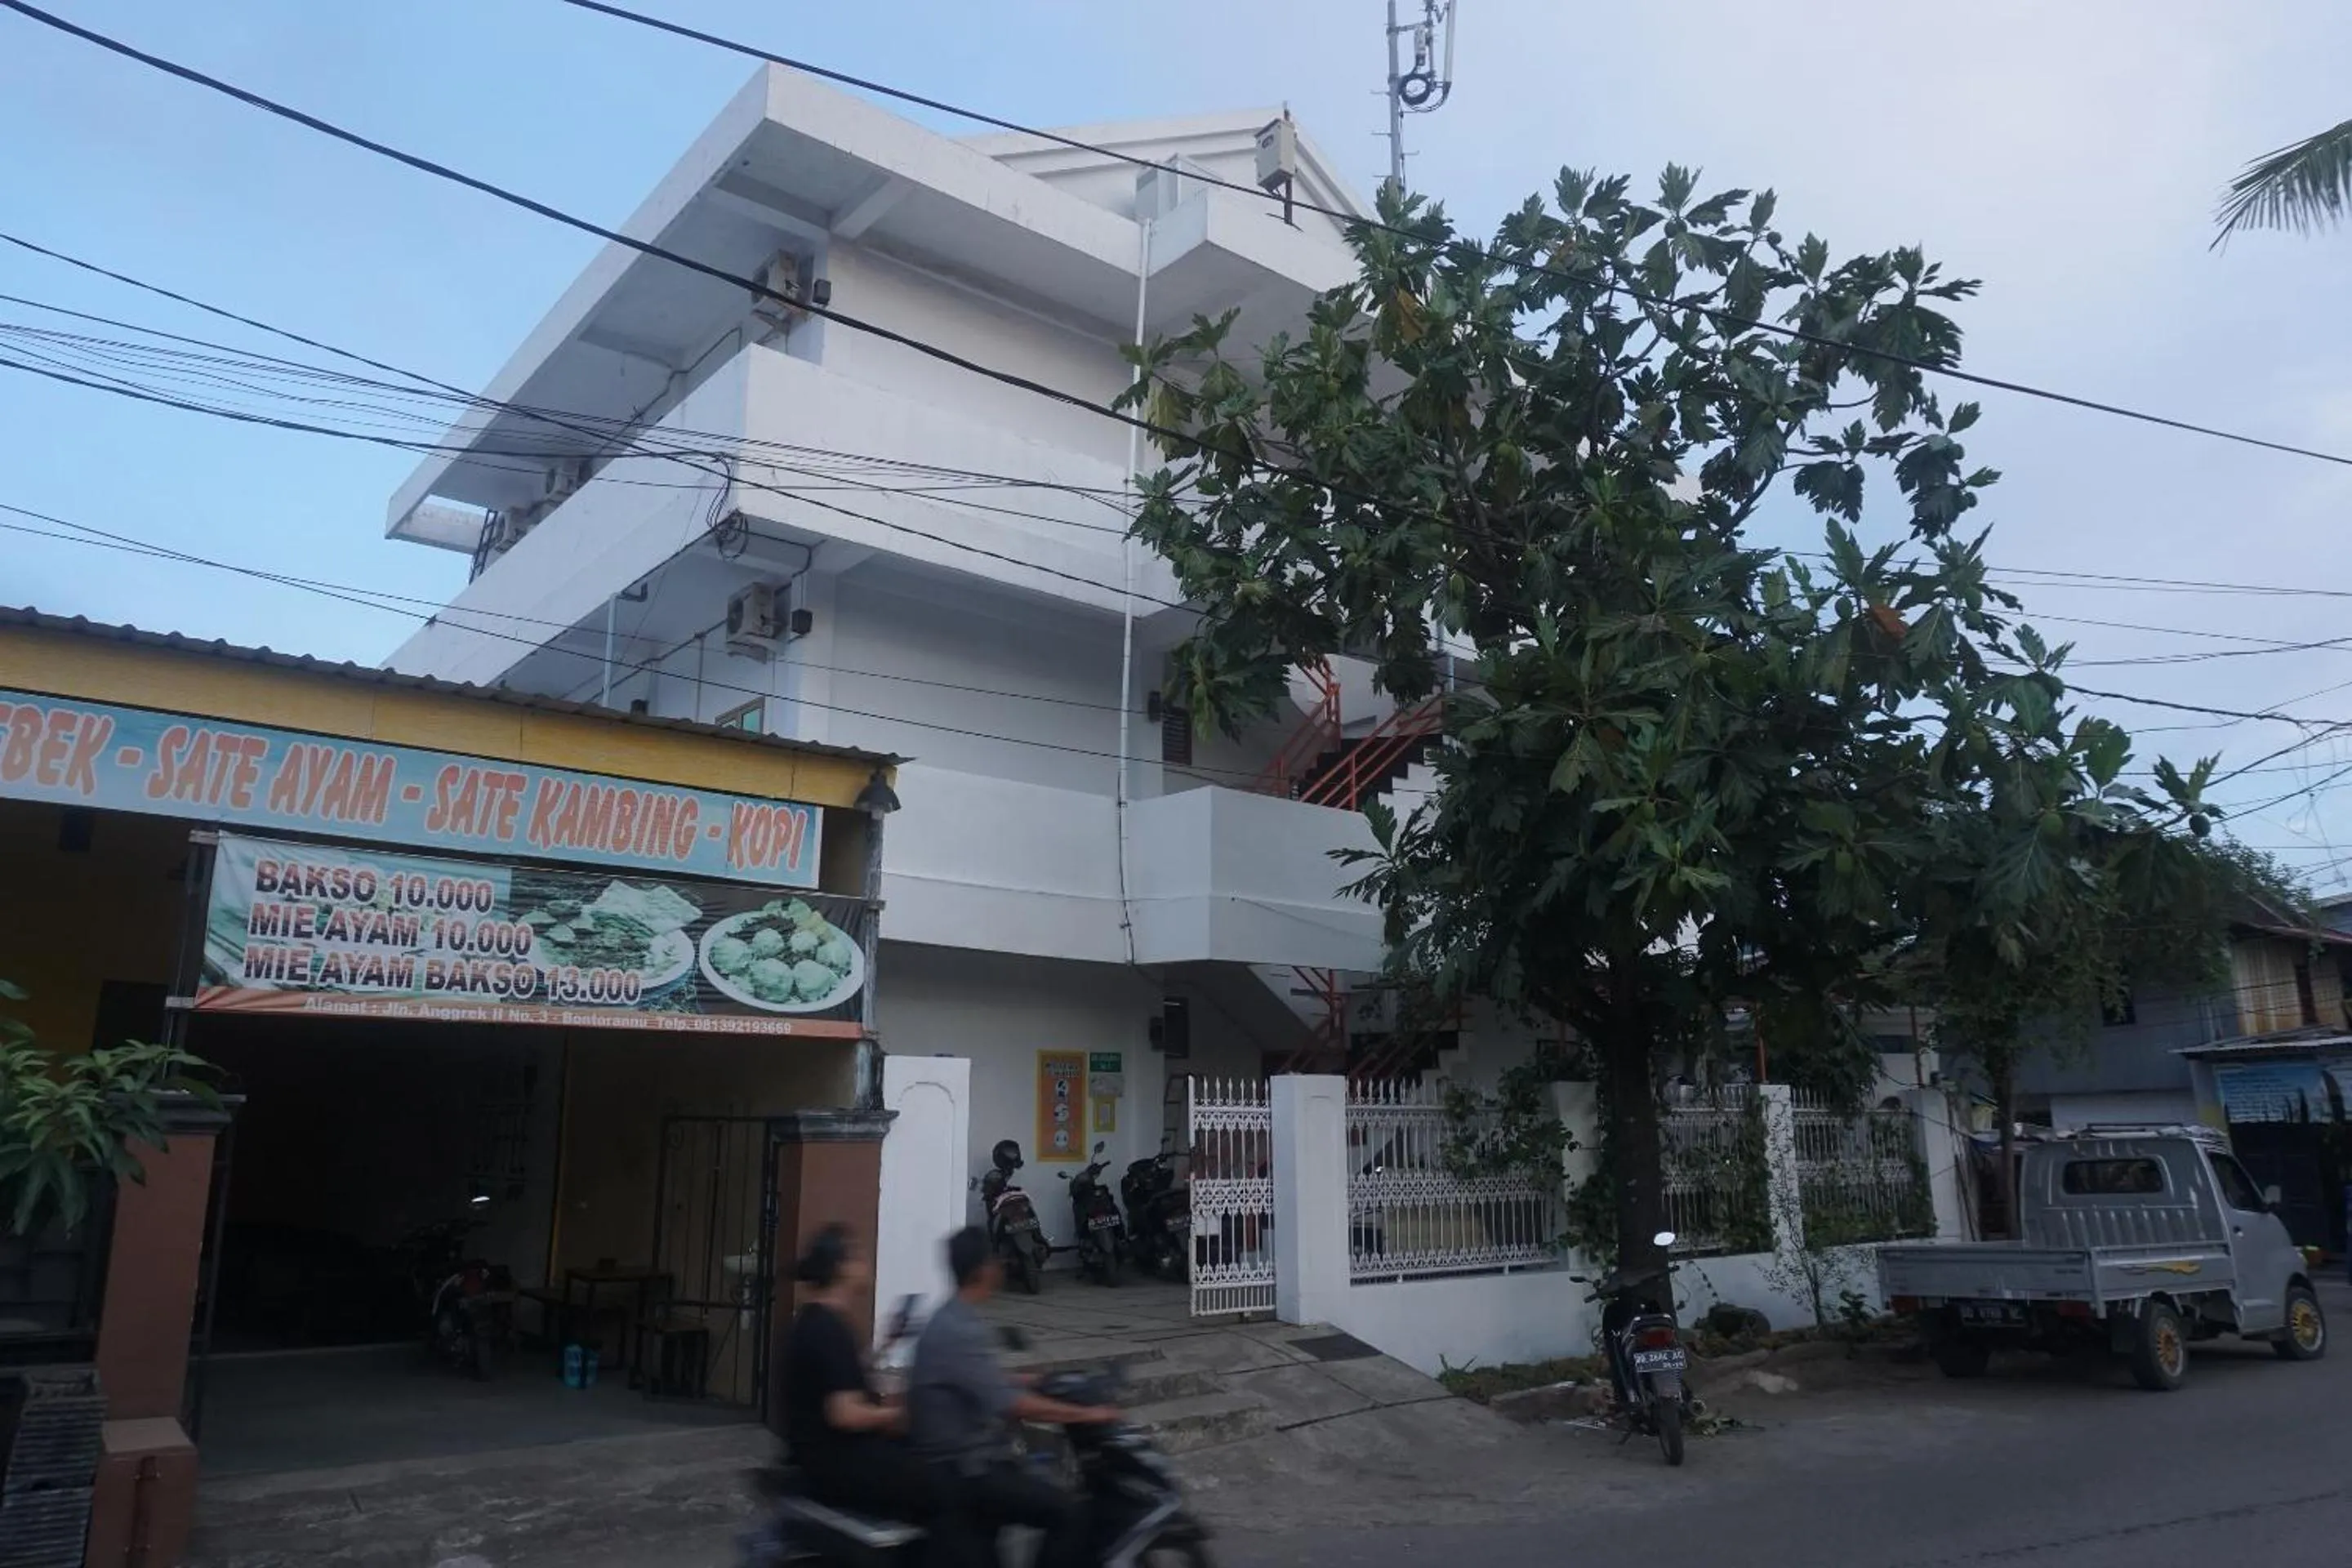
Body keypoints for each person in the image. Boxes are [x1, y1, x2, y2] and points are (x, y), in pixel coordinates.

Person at [909, 1226, 1118, 1568]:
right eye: (994, 1259)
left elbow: (977, 1379)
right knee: (1069, 1511)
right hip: (966, 1471)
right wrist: (1090, 1415)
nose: (1001, 1264)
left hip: (965, 1463)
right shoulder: (959, 1329)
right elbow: (1011, 1405)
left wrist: (1034, 1379)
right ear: (982, 1271)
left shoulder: (954, 1317)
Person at [779, 1223, 945, 1528]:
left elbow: (843, 1379)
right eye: (859, 1256)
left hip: (827, 1456)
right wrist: (898, 1414)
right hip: (840, 1462)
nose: (867, 1263)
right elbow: (844, 1414)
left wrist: (887, 1345)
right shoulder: (826, 1328)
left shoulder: (818, 1319)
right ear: (841, 1268)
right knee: (945, 1487)